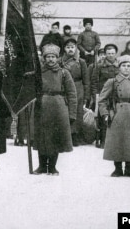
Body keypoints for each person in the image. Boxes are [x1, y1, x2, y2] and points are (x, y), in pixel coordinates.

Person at [98, 55, 130, 178]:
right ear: (119, 67)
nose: (126, 68)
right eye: (123, 66)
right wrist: (105, 113)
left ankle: (129, 168)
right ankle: (117, 168)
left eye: (129, 66)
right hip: (117, 113)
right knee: (118, 141)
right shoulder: (112, 82)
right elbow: (102, 100)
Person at [33, 44, 76, 175]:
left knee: (55, 137)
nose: (51, 59)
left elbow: (72, 94)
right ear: (44, 58)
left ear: (57, 58)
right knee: (42, 137)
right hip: (42, 106)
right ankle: (41, 166)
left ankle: (52, 167)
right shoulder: (38, 73)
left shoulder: (64, 73)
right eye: (48, 57)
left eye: (53, 57)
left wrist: (72, 113)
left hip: (59, 107)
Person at [60, 38, 90, 146]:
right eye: (68, 47)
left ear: (76, 48)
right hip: (64, 89)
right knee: (65, 111)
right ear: (64, 49)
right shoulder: (60, 61)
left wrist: (86, 95)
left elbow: (86, 80)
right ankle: (65, 136)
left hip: (78, 89)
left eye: (72, 47)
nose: (70, 49)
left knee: (78, 112)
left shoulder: (81, 62)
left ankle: (76, 135)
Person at [91, 44, 120, 148]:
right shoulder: (99, 66)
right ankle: (103, 141)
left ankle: (115, 142)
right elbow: (94, 82)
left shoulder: (120, 65)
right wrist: (95, 96)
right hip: (103, 95)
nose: (110, 55)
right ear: (105, 54)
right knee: (103, 118)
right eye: (108, 53)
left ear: (116, 53)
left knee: (116, 117)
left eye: (112, 53)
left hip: (117, 96)